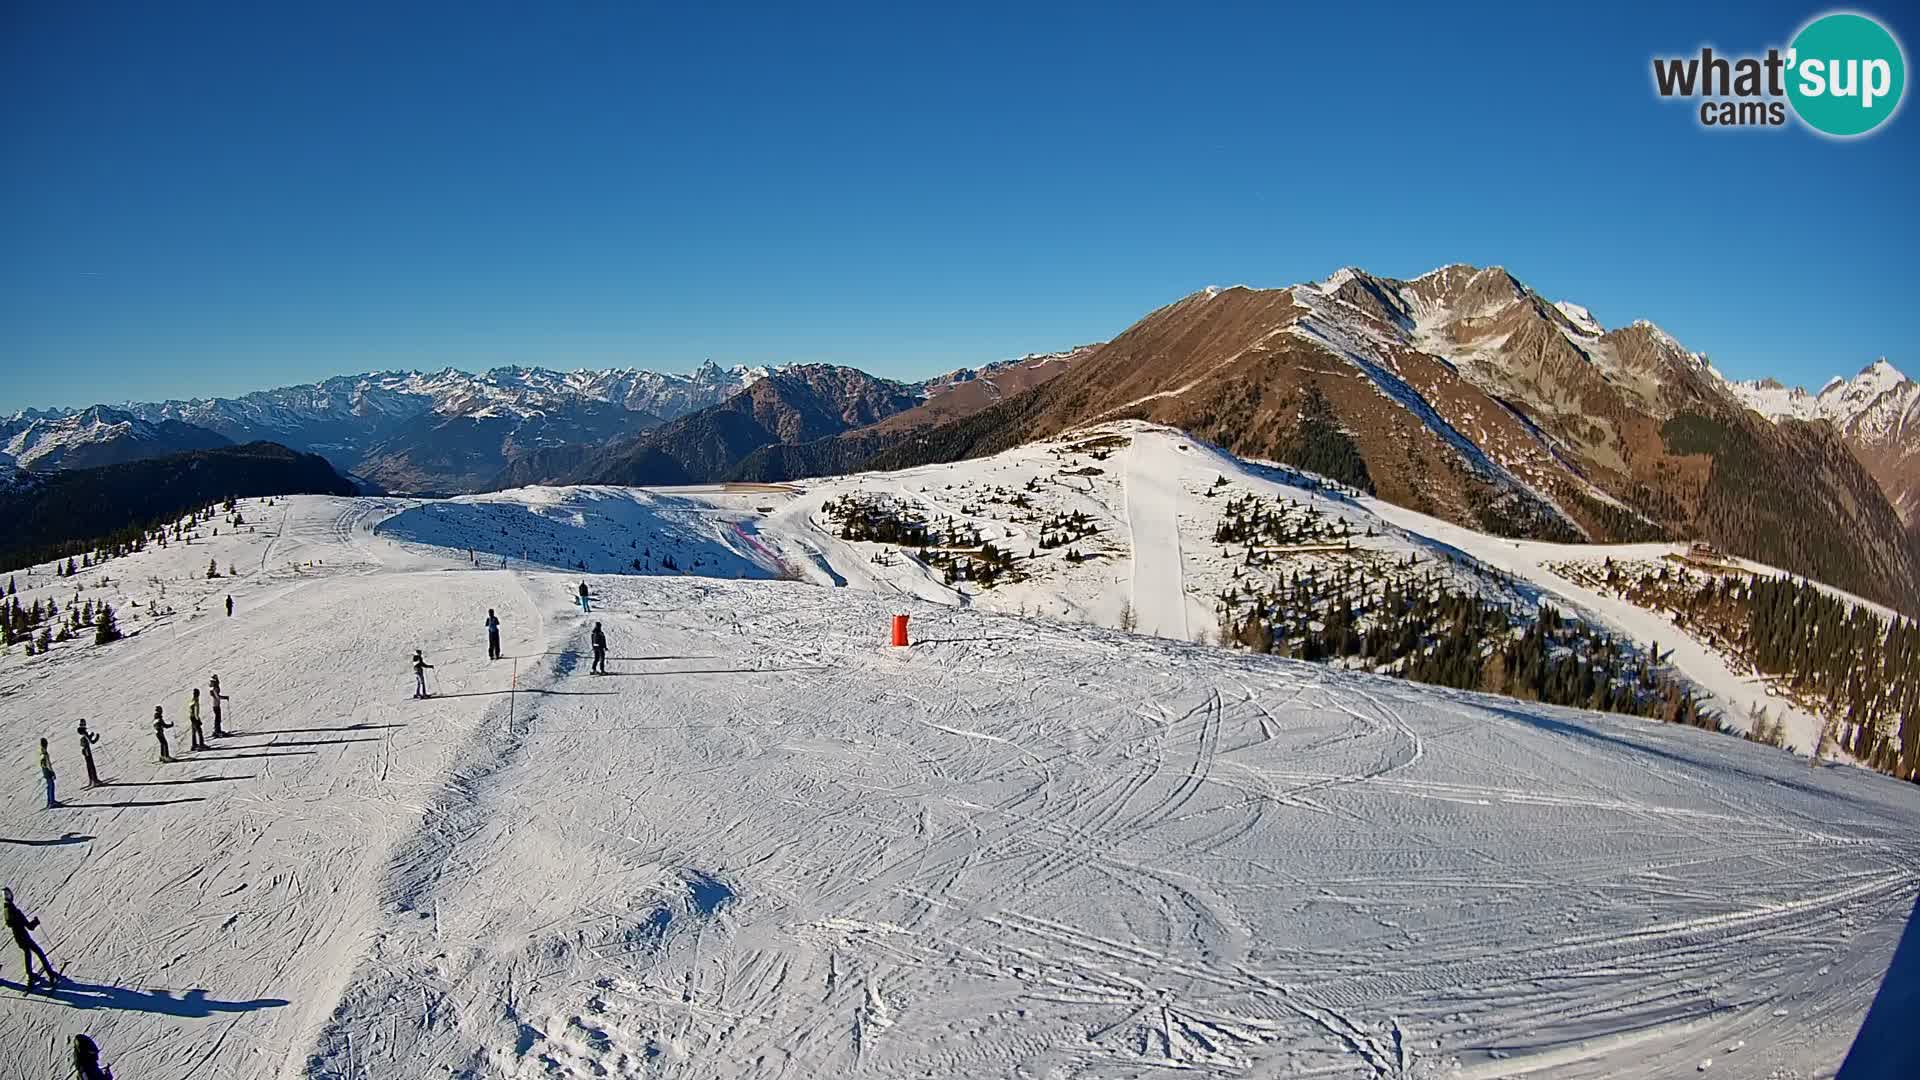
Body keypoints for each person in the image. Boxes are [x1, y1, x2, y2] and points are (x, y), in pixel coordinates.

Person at [3, 886, 59, 990]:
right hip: (24, 937)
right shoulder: (15, 911)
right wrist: (35, 922)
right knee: (39, 952)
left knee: (27, 953)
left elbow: (11, 923)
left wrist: (31, 923)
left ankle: (31, 976)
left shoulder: (7, 910)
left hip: (19, 938)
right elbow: (28, 926)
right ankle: (51, 975)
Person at [76, 720, 101, 787]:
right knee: (91, 765)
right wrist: (97, 737)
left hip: (84, 749)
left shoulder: (80, 731)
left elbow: (86, 739)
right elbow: (92, 742)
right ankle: (95, 780)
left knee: (88, 765)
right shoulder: (84, 732)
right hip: (87, 749)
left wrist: (90, 735)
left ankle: (91, 780)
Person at [38, 738, 56, 809]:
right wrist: (52, 772)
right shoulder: (45, 754)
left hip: (45, 772)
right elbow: (48, 765)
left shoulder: (41, 753)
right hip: (48, 772)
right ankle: (52, 802)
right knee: (51, 786)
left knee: (49, 786)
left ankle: (49, 801)